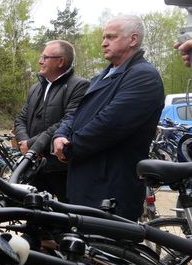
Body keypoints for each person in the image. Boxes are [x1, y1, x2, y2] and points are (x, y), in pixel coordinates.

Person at [52, 15, 164, 221]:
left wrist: (69, 148)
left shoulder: (143, 76)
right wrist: (59, 135)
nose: (104, 42)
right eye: (104, 37)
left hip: (110, 187)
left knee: (106, 251)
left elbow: (110, 123)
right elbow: (76, 114)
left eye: (111, 37)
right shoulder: (100, 77)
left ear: (133, 39)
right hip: (85, 181)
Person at [14, 40, 89, 201]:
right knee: (34, 218)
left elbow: (69, 121)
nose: (40, 61)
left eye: (45, 57)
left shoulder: (79, 86)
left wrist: (33, 145)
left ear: (61, 61)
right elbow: (21, 118)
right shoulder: (35, 88)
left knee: (67, 217)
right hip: (35, 167)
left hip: (62, 169)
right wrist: (24, 142)